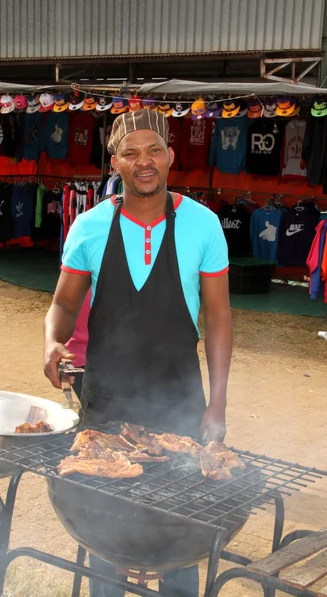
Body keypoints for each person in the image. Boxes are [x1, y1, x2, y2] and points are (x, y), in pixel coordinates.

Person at [44, 109, 233, 597]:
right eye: (130, 152)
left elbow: (217, 318)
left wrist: (218, 402)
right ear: (115, 162)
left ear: (171, 155)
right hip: (106, 403)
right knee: (104, 533)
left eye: (153, 150)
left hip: (179, 403)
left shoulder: (203, 225)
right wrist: (52, 339)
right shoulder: (88, 227)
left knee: (177, 526)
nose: (143, 161)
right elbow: (64, 303)